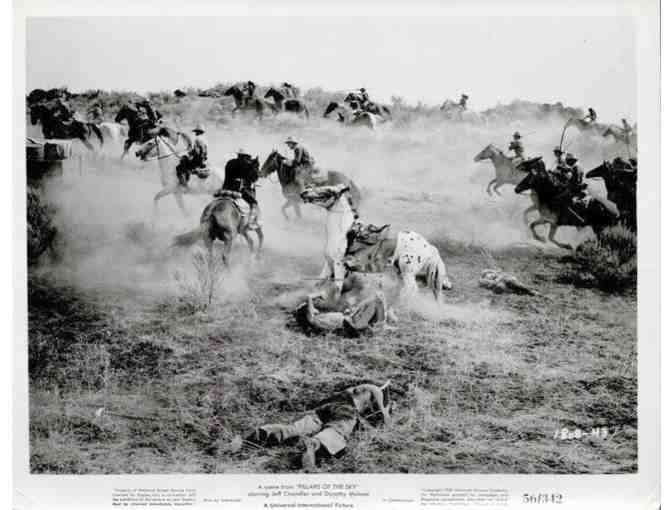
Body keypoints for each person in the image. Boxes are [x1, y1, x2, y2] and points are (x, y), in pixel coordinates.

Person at [245, 381, 392, 471]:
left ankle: (265, 432)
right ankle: (316, 444)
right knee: (337, 430)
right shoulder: (371, 389)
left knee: (298, 428)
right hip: (346, 408)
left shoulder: (347, 390)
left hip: (324, 408)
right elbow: (377, 396)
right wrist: (385, 413)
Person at [218, 148, 260, 226]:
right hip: (237, 190)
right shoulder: (245, 164)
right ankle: (251, 223)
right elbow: (251, 178)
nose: (248, 159)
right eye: (247, 157)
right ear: (245, 156)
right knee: (254, 203)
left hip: (225, 188)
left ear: (238, 155)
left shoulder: (230, 162)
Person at [176, 124, 209, 189]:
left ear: (198, 132)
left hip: (197, 160)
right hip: (203, 159)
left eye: (196, 132)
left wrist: (191, 153)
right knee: (185, 160)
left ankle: (183, 184)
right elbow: (203, 151)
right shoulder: (204, 139)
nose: (195, 133)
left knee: (179, 167)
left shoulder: (197, 139)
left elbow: (197, 152)